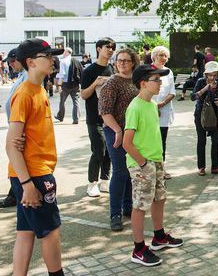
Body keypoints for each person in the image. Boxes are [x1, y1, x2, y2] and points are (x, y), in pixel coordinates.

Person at [6, 38, 65, 276]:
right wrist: (27, 184)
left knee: (26, 231)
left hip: (33, 171)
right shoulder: (24, 93)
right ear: (30, 62)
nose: (53, 60)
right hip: (34, 175)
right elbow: (11, 145)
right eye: (47, 56)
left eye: (53, 55)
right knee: (51, 231)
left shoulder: (39, 88)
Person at [123, 64, 184, 267]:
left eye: (160, 79)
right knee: (140, 205)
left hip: (155, 161)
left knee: (160, 199)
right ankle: (138, 249)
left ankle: (159, 237)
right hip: (142, 164)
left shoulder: (151, 104)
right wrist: (142, 163)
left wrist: (156, 162)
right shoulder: (135, 107)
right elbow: (127, 142)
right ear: (143, 83)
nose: (160, 83)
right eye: (156, 80)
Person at [98, 48, 139, 231]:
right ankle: (115, 214)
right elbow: (104, 112)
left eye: (126, 60)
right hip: (115, 131)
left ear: (133, 62)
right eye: (119, 60)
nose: (122, 63)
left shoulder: (137, 81)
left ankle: (128, 206)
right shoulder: (112, 83)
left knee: (131, 170)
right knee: (120, 172)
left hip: (132, 132)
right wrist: (117, 130)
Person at [80, 37, 114, 197]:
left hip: (111, 118)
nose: (111, 50)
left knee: (109, 151)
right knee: (98, 150)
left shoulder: (112, 69)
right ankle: (92, 183)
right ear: (99, 49)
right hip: (94, 118)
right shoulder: (89, 71)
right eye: (108, 47)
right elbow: (83, 95)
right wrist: (95, 83)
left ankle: (105, 181)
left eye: (113, 48)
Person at [0, 48, 28, 209]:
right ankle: (14, 193)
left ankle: (15, 194)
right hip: (16, 126)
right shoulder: (22, 76)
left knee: (18, 162)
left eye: (13, 61)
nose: (11, 65)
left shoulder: (28, 77)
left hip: (20, 128)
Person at [191, 61, 218, 176]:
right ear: (206, 74)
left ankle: (215, 166)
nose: (212, 77)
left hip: (214, 116)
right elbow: (193, 97)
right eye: (210, 74)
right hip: (200, 115)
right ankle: (201, 167)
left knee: (216, 140)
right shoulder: (201, 82)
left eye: (214, 74)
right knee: (202, 140)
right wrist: (205, 89)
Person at [152, 46, 175, 180]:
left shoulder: (168, 71)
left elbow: (172, 92)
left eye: (165, 56)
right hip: (150, 110)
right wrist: (154, 106)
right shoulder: (147, 71)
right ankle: (150, 168)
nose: (163, 58)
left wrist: (161, 105)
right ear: (154, 56)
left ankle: (161, 168)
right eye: (161, 55)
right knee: (150, 140)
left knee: (162, 141)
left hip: (164, 110)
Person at [55, 48, 82, 124]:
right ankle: (76, 119)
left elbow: (62, 74)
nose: (63, 53)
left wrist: (59, 85)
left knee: (62, 102)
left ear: (66, 52)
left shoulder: (63, 61)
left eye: (64, 52)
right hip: (75, 84)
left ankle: (60, 117)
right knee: (76, 102)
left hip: (65, 85)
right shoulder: (76, 61)